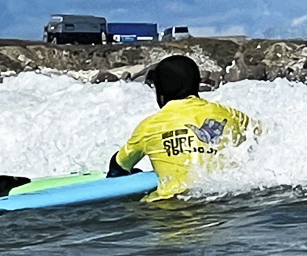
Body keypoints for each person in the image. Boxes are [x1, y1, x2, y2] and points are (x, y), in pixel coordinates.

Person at [106, 55, 259, 199]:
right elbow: (266, 140)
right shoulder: (231, 114)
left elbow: (118, 167)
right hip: (227, 204)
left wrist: (133, 173)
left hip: (172, 208)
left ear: (160, 92)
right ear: (197, 84)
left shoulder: (150, 125)